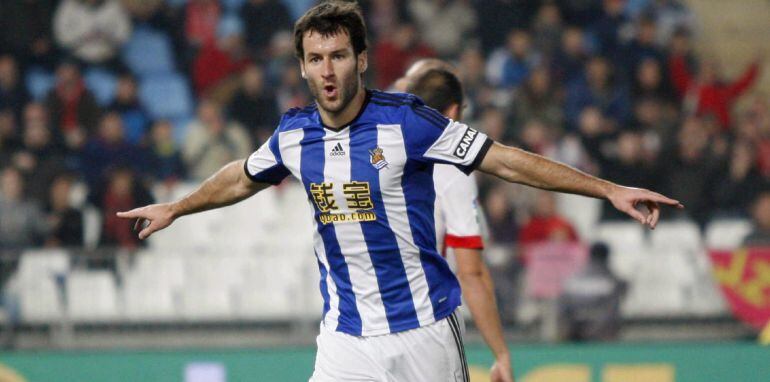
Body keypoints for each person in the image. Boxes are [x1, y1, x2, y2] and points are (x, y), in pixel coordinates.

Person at [117, 3, 682, 381]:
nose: (328, 70)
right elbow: (241, 175)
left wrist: (607, 189)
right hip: (345, 339)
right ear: (304, 68)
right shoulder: (293, 134)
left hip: (425, 334)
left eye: (339, 55)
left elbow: (505, 160)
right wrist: (178, 206)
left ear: (360, 59)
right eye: (315, 59)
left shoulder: (409, 122)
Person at [401, 64, 513, 381]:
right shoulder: (452, 167)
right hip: (428, 323)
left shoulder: (381, 153)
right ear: (453, 112)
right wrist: (500, 354)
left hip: (370, 324)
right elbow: (471, 272)